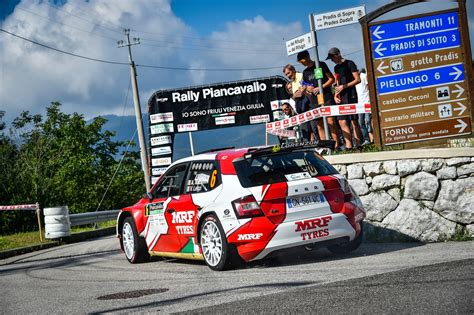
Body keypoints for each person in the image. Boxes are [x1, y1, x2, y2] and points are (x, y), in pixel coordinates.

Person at [296, 50, 340, 146]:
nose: (302, 63)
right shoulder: (305, 72)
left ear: (307, 57)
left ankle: (336, 145)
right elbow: (306, 86)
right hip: (314, 100)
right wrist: (307, 89)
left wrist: (320, 87)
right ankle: (325, 146)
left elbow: (331, 79)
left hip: (326, 96)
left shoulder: (320, 65)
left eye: (302, 61)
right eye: (300, 62)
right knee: (319, 124)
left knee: (330, 121)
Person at [326, 47, 363, 150]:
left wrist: (345, 86)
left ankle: (359, 144)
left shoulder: (350, 63)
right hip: (341, 96)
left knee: (353, 120)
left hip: (351, 94)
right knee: (342, 121)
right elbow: (337, 83)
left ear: (338, 54)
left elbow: (358, 79)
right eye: (331, 59)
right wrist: (335, 95)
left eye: (333, 57)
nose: (332, 60)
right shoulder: (336, 68)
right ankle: (349, 146)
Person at [283, 64, 310, 140]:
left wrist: (301, 91)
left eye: (288, 73)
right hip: (301, 114)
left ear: (293, 70)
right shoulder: (291, 100)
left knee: (312, 129)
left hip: (308, 107)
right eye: (289, 89)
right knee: (306, 132)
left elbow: (303, 90)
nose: (288, 76)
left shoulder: (301, 76)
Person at [355, 68, 374, 144]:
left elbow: (369, 87)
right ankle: (366, 139)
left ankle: (372, 138)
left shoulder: (364, 76)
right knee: (361, 122)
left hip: (367, 102)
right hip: (359, 104)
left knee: (368, 121)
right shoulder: (353, 79)